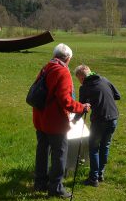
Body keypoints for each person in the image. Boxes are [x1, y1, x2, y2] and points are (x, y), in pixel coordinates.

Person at [33, 43, 90, 198]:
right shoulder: (62, 72)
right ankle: (56, 188)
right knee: (59, 154)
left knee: (42, 151)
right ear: (68, 58)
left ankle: (40, 183)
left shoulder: (46, 67)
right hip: (55, 122)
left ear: (55, 55)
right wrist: (82, 107)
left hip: (40, 118)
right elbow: (66, 101)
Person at [74, 64, 121, 187]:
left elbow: (81, 109)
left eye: (78, 79)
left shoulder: (84, 88)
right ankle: (100, 174)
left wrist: (73, 121)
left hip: (99, 120)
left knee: (94, 148)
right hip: (114, 117)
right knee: (105, 146)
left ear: (81, 77)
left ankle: (93, 178)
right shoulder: (104, 79)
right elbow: (117, 95)